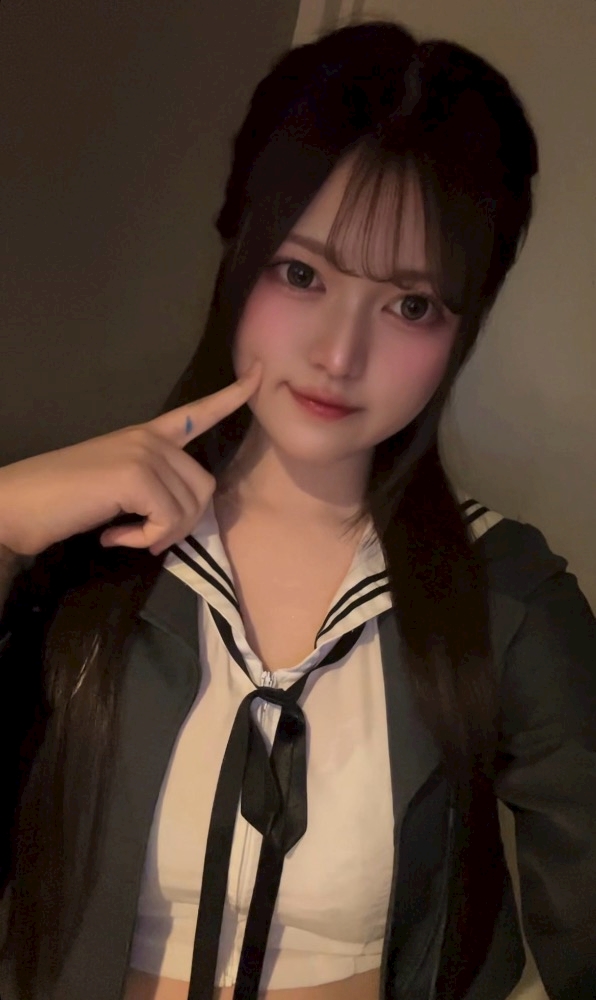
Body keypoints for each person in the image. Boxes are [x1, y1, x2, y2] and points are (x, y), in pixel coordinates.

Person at [0, 17, 594, 1000]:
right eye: (302, 273)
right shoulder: (80, 551)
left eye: (410, 304)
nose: (337, 353)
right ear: (239, 256)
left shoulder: (507, 595)